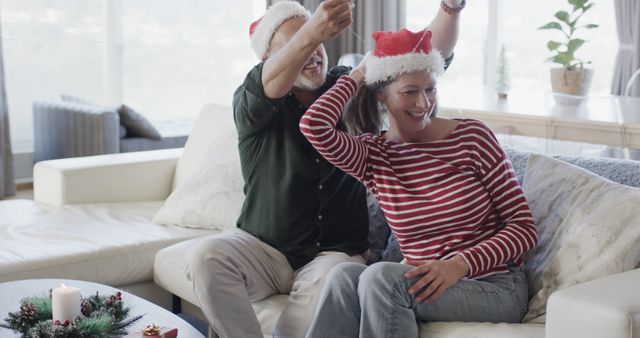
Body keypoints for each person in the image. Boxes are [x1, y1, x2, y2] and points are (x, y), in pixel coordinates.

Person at [184, 1, 463, 337]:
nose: (313, 51)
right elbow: (270, 83)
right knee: (205, 256)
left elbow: (422, 54)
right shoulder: (252, 99)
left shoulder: (351, 89)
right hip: (263, 249)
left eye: (317, 41)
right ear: (267, 60)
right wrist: (313, 29)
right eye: (296, 43)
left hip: (334, 253)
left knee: (336, 275)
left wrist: (450, 9)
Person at [300, 27, 538, 338]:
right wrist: (360, 73)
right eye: (410, 91)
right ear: (381, 95)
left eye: (431, 89)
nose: (424, 103)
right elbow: (313, 125)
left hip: (493, 284)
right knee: (343, 275)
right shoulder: (374, 155)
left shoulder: (472, 137)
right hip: (424, 281)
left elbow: (523, 228)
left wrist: (457, 265)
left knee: (381, 278)